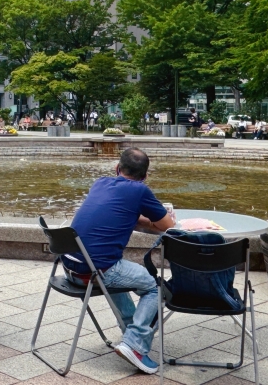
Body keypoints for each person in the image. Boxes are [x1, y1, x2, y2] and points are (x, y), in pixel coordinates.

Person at [66, 148, 176, 375]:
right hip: (96, 270)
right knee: (157, 288)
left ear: (117, 168)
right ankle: (134, 345)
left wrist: (145, 221)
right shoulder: (140, 190)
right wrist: (160, 220)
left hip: (70, 267)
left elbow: (127, 215)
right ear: (145, 176)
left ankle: (130, 335)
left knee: (117, 274)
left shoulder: (100, 183)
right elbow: (168, 227)